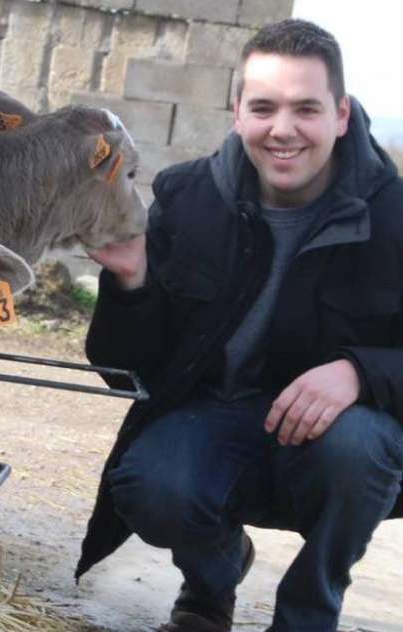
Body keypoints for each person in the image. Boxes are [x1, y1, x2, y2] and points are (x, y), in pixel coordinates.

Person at [79, 18, 403, 632]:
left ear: (341, 114)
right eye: (264, 107)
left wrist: (360, 373)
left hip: (336, 437)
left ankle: (309, 613)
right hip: (216, 416)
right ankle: (212, 582)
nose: (283, 130)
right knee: (149, 483)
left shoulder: (396, 218)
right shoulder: (188, 196)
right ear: (237, 113)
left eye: (306, 108)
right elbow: (131, 375)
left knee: (361, 448)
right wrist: (130, 283)